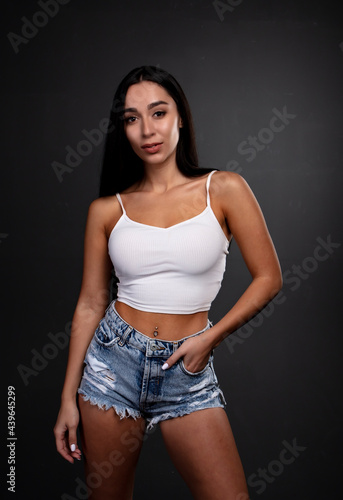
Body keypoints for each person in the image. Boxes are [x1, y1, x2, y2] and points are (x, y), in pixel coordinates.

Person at [54, 65, 282, 500]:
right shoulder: (107, 210)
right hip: (111, 365)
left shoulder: (225, 189)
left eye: (158, 113)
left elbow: (269, 278)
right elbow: (90, 303)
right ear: (122, 129)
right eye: (131, 118)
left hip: (187, 367)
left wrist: (209, 339)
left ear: (180, 117)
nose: (146, 130)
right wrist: (67, 397)